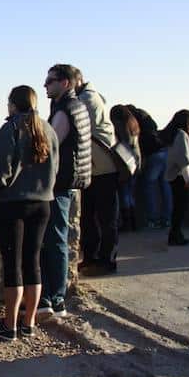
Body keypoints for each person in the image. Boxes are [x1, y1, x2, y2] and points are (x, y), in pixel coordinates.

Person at [0, 86, 58, 341]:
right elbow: (55, 168)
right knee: (32, 262)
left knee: (13, 265)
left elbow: (2, 172)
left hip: (13, 204)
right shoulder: (47, 129)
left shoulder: (11, 128)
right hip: (43, 203)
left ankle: (9, 325)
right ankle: (30, 323)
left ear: (13, 105)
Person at [39, 64, 91, 319]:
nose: (45, 85)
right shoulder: (78, 106)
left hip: (59, 184)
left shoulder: (63, 110)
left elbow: (48, 147)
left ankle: (53, 298)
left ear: (65, 83)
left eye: (50, 81)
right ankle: (55, 297)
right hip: (70, 183)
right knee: (57, 239)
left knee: (53, 241)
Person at [73, 70, 119, 276]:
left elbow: (78, 130)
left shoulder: (86, 100)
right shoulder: (87, 97)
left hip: (102, 168)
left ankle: (106, 259)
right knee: (92, 216)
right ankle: (93, 257)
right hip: (96, 168)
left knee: (104, 217)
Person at [127, 105, 172, 229]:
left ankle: (153, 218)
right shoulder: (146, 119)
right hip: (163, 151)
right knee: (165, 186)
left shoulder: (134, 124)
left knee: (149, 186)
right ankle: (167, 218)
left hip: (152, 155)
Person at [160, 110, 189, 246]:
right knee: (181, 208)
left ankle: (175, 234)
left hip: (174, 176)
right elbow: (184, 159)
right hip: (181, 176)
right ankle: (176, 235)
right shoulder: (181, 135)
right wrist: (188, 179)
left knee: (177, 207)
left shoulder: (173, 134)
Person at [110, 105, 142, 231]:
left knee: (124, 194)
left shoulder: (121, 126)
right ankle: (133, 222)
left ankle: (127, 223)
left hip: (125, 163)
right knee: (130, 194)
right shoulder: (133, 124)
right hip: (135, 161)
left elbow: (119, 145)